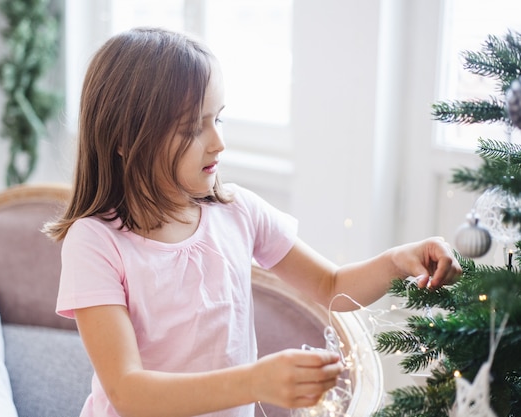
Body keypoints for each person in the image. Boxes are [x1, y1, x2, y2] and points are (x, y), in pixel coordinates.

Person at [43, 27, 461, 417]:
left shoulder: (238, 211)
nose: (218, 142)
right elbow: (128, 392)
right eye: (190, 129)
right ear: (123, 140)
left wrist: (396, 261)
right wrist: (255, 381)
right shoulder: (95, 242)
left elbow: (331, 286)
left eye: (217, 118)